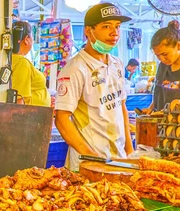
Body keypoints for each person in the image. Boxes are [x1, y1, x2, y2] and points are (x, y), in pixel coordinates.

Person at [54, 3, 134, 171]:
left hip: (117, 159)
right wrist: (91, 156)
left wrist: (129, 150)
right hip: (87, 165)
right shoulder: (75, 68)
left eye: (117, 27)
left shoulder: (117, 64)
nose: (114, 33)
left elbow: (122, 108)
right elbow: (62, 119)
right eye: (106, 27)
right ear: (88, 31)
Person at [11, 21, 51, 107]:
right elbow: (19, 98)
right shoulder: (22, 62)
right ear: (26, 39)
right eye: (32, 37)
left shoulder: (14, 60)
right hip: (31, 116)